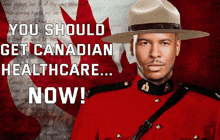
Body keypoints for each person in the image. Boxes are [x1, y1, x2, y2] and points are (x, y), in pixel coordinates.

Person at [71, 0, 220, 139]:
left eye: (164, 43)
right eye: (144, 43)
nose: (154, 53)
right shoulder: (97, 105)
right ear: (132, 47)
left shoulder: (210, 108)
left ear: (177, 47)